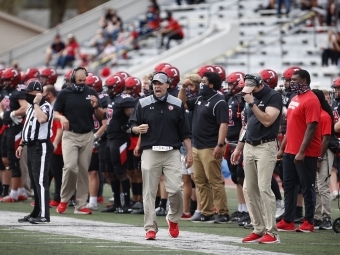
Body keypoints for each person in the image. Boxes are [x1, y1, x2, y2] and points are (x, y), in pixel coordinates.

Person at [129, 72, 192, 240]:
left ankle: (172, 218)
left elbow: (185, 132)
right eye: (154, 83)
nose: (157, 86)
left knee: (176, 189)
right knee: (148, 191)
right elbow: (132, 125)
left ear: (167, 85)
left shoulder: (177, 103)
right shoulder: (142, 103)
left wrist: (190, 152)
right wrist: (137, 130)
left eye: (160, 83)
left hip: (172, 151)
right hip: (150, 151)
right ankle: (150, 228)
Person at [230, 73, 282, 244]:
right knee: (248, 188)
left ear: (259, 85)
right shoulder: (248, 99)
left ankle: (272, 232)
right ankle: (258, 228)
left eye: (250, 90)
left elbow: (267, 120)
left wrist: (252, 103)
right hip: (249, 146)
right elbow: (246, 125)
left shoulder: (273, 96)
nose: (247, 93)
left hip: (266, 145)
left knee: (264, 188)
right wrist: (239, 148)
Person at [178, 72, 229, 224]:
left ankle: (223, 212)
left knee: (214, 180)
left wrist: (220, 145)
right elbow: (183, 104)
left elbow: (223, 124)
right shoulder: (201, 98)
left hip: (211, 146)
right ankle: (206, 212)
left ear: (211, 84)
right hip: (197, 145)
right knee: (200, 181)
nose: (201, 84)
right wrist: (183, 87)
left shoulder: (219, 101)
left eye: (204, 82)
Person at [54, 67, 104, 215]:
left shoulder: (91, 93)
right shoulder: (64, 93)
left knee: (83, 170)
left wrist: (96, 107)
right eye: (79, 80)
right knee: (70, 167)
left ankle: (81, 205)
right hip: (70, 135)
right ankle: (64, 199)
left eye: (84, 80)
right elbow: (55, 112)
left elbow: (101, 116)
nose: (82, 83)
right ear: (72, 80)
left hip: (87, 135)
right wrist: (61, 117)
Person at [277, 69, 321, 233]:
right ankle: (288, 219)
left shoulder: (311, 100)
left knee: (307, 187)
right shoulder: (294, 98)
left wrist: (301, 151)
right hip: (290, 150)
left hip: (306, 153)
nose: (291, 82)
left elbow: (311, 127)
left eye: (294, 80)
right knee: (289, 186)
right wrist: (282, 149)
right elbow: (290, 127)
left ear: (304, 81)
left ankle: (309, 222)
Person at [16, 79, 54, 224]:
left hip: (42, 146)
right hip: (32, 146)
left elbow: (42, 119)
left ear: (37, 93)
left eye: (29, 93)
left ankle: (44, 215)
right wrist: (22, 144)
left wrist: (37, 102)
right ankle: (36, 211)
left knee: (40, 181)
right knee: (34, 181)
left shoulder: (44, 106)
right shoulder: (33, 106)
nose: (27, 95)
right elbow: (28, 127)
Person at [0, 68, 28, 202]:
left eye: (7, 80)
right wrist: (3, 114)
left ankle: (14, 194)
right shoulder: (7, 91)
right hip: (6, 128)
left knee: (13, 160)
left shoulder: (19, 91)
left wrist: (14, 114)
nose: (4, 82)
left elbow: (25, 107)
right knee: (5, 159)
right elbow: (2, 104)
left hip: (16, 128)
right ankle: (21, 190)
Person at [312, 89, 334, 230]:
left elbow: (326, 139)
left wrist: (319, 158)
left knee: (322, 186)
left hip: (323, 153)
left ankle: (327, 217)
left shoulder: (324, 115)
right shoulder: (316, 113)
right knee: (316, 186)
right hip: (315, 152)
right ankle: (317, 216)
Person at [43, 85, 63, 208]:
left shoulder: (56, 107)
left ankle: (58, 198)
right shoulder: (50, 106)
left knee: (57, 173)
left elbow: (59, 127)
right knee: (49, 172)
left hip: (57, 145)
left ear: (49, 94)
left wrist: (55, 142)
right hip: (52, 142)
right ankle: (46, 198)